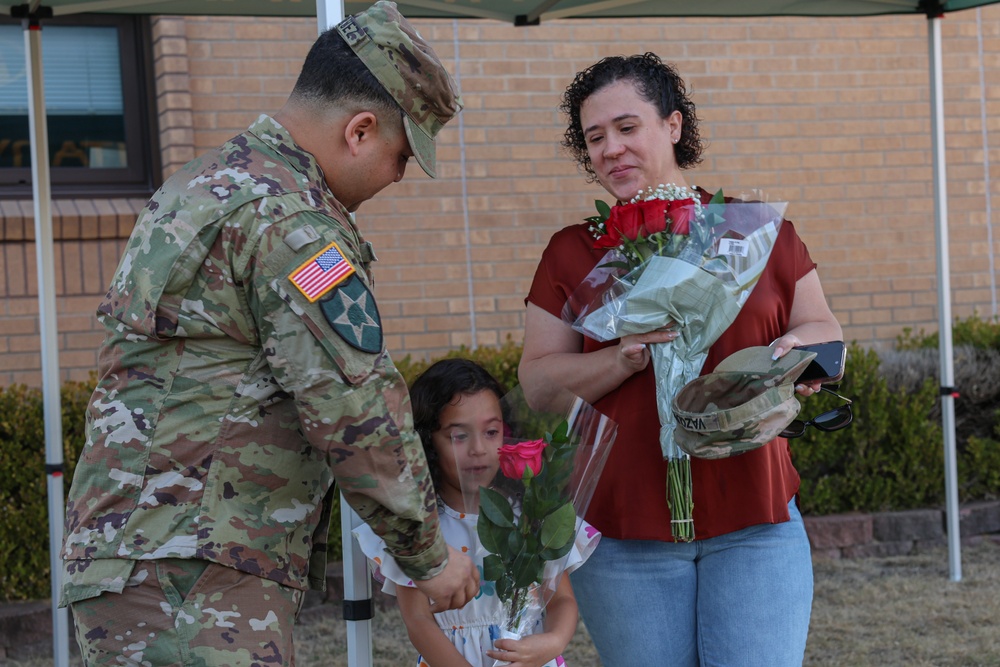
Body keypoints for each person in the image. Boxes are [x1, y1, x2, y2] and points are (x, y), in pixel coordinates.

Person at [58, 3, 479, 664]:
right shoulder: (293, 221)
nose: (400, 177)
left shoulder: (199, 185)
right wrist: (429, 554)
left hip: (141, 554)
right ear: (361, 130)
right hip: (194, 565)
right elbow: (353, 402)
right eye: (402, 155)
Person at [518, 53, 843, 666]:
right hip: (622, 538)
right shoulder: (571, 253)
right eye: (595, 138)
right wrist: (622, 360)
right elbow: (537, 384)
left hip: (757, 522)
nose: (611, 148)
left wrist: (804, 361)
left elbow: (824, 332)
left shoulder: (755, 235)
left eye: (627, 127)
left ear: (672, 125)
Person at [354, 358, 599, 667]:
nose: (478, 449)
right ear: (426, 441)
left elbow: (561, 598)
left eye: (491, 432)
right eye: (459, 436)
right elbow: (418, 620)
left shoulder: (531, 515)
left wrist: (552, 641)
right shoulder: (418, 530)